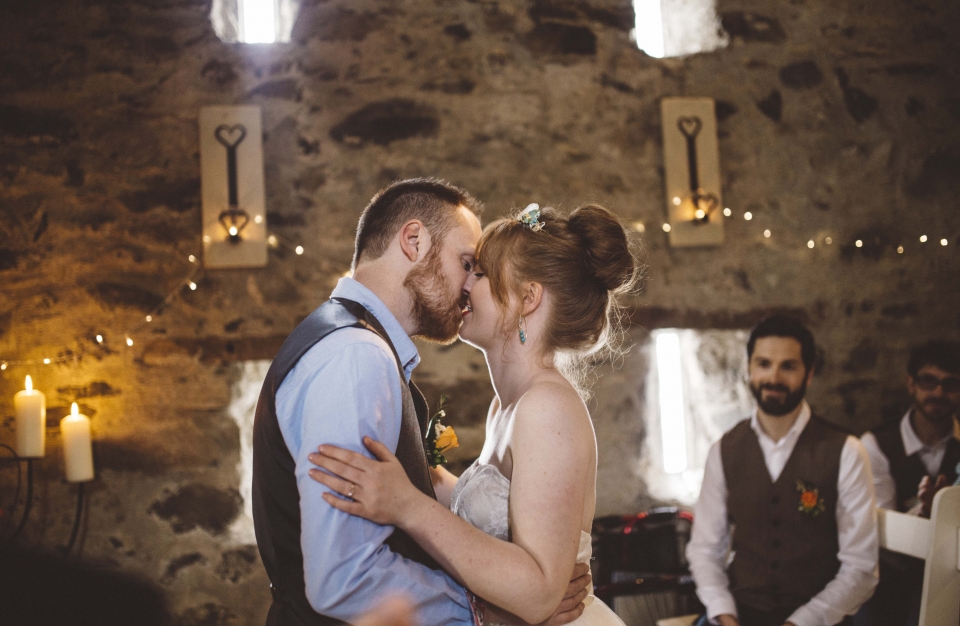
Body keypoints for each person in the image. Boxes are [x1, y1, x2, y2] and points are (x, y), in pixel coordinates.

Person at [251, 180, 590, 626]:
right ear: (413, 241)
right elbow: (345, 576)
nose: (469, 283)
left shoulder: (356, 346)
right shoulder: (358, 355)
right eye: (467, 263)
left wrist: (414, 492)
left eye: (480, 271)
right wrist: (478, 609)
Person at [308, 203, 639, 625]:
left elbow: (539, 592)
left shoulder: (547, 408)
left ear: (527, 298)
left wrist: (408, 505)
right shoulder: (508, 403)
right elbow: (493, 508)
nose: (465, 283)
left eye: (480, 273)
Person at [686, 315, 878, 626]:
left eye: (788, 366)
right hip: (739, 614)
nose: (773, 377)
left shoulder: (847, 451)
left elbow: (861, 568)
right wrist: (724, 613)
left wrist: (801, 622)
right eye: (763, 364)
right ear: (749, 369)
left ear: (809, 373)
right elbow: (705, 549)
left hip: (817, 619)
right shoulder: (723, 450)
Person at [856, 340, 960, 626]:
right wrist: (930, 513)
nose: (938, 392)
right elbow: (882, 529)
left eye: (951, 384)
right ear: (911, 384)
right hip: (892, 579)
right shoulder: (877, 445)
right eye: (929, 382)